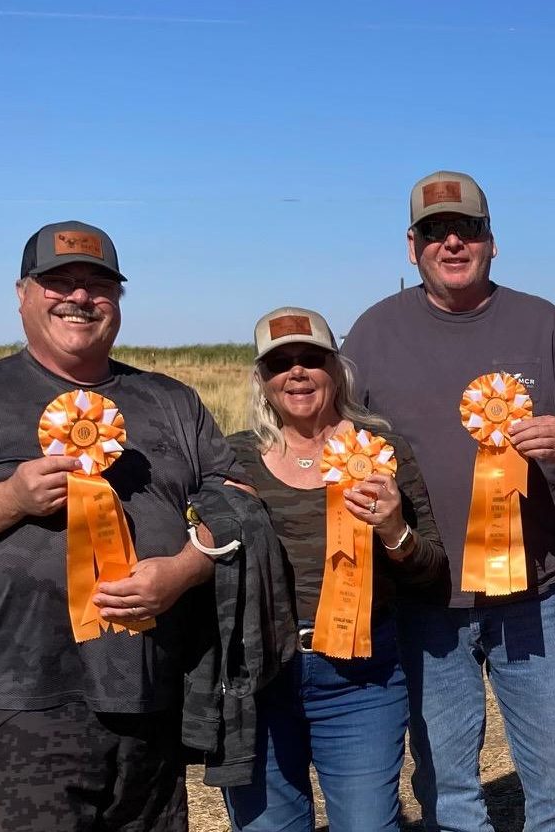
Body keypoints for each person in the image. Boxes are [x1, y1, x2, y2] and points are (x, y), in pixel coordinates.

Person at [0, 221, 240, 831]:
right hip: (22, 701)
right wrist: (9, 498)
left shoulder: (173, 402)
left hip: (149, 696)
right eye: (58, 281)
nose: (79, 297)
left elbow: (236, 501)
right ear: (22, 293)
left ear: (118, 300)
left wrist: (185, 570)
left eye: (98, 284)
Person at [342, 170, 555, 831]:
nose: (453, 242)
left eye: (469, 229)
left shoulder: (543, 323)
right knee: (448, 787)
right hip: (426, 596)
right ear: (413, 247)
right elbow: (334, 444)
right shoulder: (373, 334)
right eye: (436, 232)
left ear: (492, 241)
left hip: (534, 595)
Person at [221, 307, 447, 830]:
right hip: (260, 675)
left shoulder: (383, 451)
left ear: (336, 368)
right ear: (262, 380)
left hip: (359, 679)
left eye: (311, 359)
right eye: (280, 363)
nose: (296, 372)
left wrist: (395, 531)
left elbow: (433, 572)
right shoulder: (232, 458)